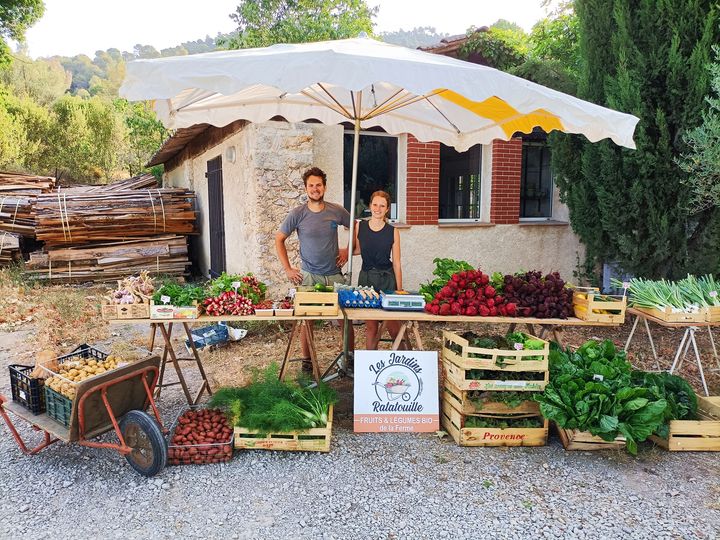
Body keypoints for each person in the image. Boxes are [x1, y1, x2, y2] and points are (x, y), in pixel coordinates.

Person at [275, 166, 355, 371]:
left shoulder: (336, 211)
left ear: (324, 187)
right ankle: (307, 361)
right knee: (307, 320)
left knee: (345, 320)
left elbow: (355, 226)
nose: (315, 189)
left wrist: (347, 249)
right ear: (306, 188)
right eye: (311, 185)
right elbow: (279, 239)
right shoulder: (298, 214)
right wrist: (288, 269)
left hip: (334, 276)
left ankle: (350, 358)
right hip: (309, 275)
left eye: (318, 185)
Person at [354, 190, 403, 349]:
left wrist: (399, 290)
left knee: (393, 326)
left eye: (382, 205)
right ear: (370, 206)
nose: (378, 208)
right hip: (367, 279)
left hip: (387, 279)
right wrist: (338, 253)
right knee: (371, 326)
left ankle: (405, 361)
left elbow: (396, 262)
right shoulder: (359, 227)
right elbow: (357, 250)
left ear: (387, 209)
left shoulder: (393, 231)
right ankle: (371, 366)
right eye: (375, 204)